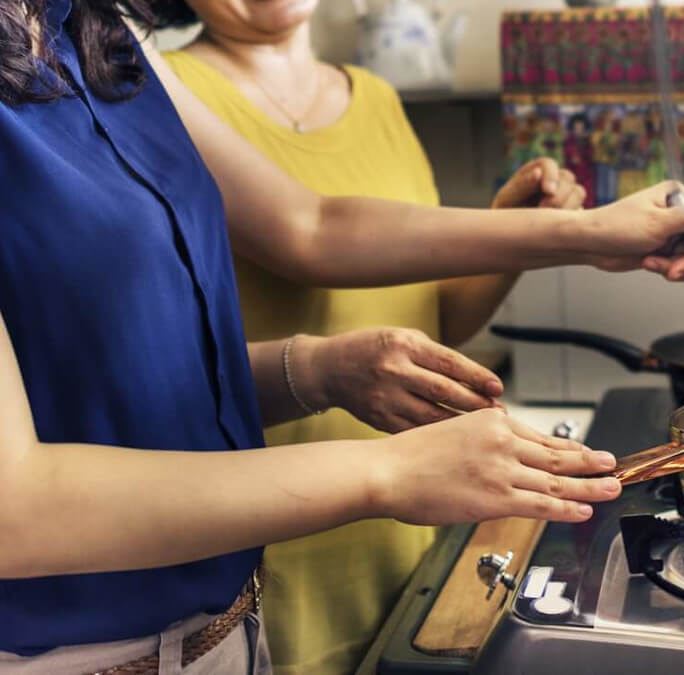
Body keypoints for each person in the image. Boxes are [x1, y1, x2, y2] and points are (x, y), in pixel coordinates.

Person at [0, 1, 684, 672]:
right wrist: (391, 471)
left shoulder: (94, 32)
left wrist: (315, 370)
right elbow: (15, 510)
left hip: (231, 637)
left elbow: (310, 226)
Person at [161, 2, 587, 670]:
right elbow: (313, 235)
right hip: (273, 554)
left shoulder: (379, 99)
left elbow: (429, 324)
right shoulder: (164, 91)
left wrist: (511, 235)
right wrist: (585, 235)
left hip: (414, 530)